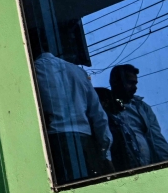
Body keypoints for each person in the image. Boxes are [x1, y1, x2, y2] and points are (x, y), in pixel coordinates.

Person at [32, 49, 112, 182]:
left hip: (54, 145)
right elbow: (99, 117)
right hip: (85, 145)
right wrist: (105, 155)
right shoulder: (78, 72)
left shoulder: (33, 71)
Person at [105, 65, 168, 167]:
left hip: (148, 166)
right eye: (130, 83)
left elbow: (156, 138)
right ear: (116, 82)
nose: (135, 88)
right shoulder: (104, 107)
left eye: (135, 83)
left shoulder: (142, 108)